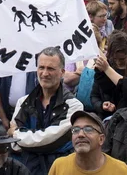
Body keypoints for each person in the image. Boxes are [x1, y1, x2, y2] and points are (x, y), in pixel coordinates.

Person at [11, 47, 84, 175]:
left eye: (50, 68)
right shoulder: (23, 102)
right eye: (41, 67)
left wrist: (17, 135)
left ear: (62, 72)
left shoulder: (74, 106)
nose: (45, 73)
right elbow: (14, 146)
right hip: (27, 170)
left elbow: (54, 140)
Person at [48, 110, 127, 175]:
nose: (80, 134)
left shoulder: (121, 170)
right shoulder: (59, 166)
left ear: (101, 139)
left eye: (88, 129)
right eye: (75, 130)